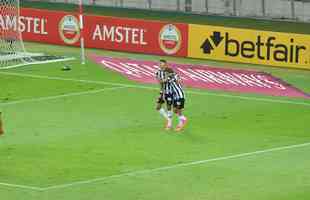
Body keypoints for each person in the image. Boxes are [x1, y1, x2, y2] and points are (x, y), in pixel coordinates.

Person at [155, 59, 174, 130]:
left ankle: (169, 124)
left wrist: (164, 80)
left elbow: (170, 80)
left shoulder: (170, 71)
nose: (160, 65)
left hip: (170, 91)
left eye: (162, 64)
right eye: (160, 64)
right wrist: (160, 92)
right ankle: (168, 120)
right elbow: (160, 83)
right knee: (158, 107)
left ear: (165, 64)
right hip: (162, 91)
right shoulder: (157, 72)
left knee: (169, 106)